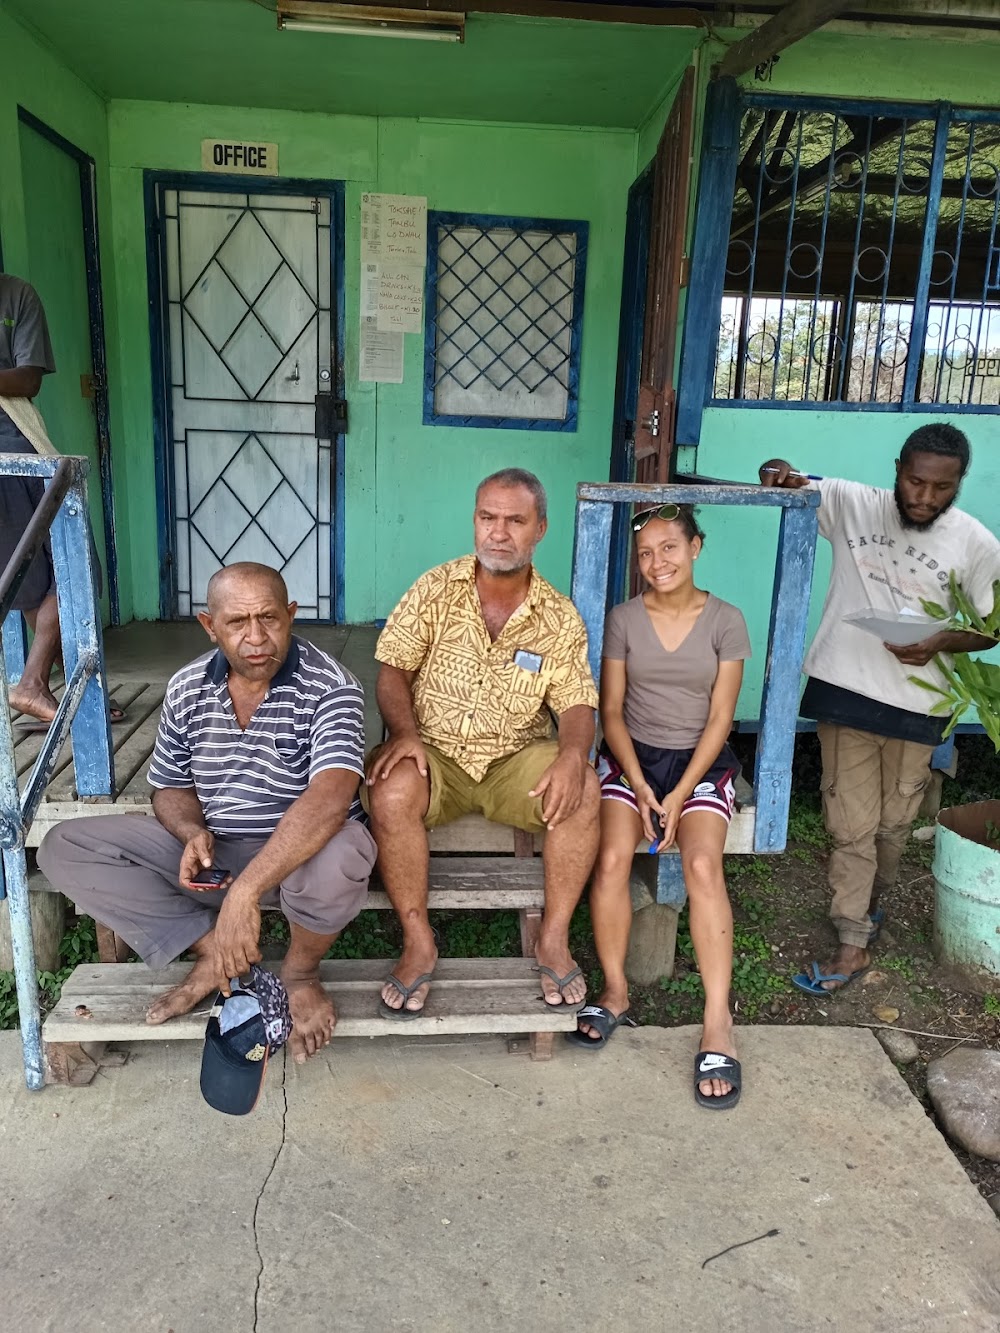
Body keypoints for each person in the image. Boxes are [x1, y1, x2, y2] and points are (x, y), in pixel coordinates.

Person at [38, 562, 376, 1063]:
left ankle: (300, 973)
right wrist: (191, 830)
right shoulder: (186, 686)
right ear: (209, 625)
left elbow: (329, 800)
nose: (257, 636)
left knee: (346, 850)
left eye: (269, 618)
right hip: (220, 848)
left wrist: (246, 890)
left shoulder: (331, 686)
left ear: (291, 616)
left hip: (306, 852)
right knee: (64, 846)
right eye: (238, 623)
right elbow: (170, 785)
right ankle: (214, 950)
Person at [760, 425, 1000, 996]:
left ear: (958, 484)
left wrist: (939, 641)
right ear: (898, 468)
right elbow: (790, 476)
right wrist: (776, 466)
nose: (923, 497)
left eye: (941, 487)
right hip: (846, 688)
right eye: (915, 481)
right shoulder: (853, 503)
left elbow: (990, 630)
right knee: (851, 825)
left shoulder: (976, 544)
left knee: (894, 824)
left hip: (922, 705)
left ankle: (869, 906)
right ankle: (852, 941)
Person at [366, 468, 600, 1017]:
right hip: (435, 755)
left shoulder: (559, 617)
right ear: (474, 520)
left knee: (584, 790)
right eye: (487, 517)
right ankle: (418, 940)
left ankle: (554, 938)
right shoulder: (435, 588)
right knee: (391, 790)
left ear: (540, 528)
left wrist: (572, 754)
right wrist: (404, 733)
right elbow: (392, 669)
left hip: (515, 760)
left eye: (514, 521)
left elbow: (576, 703)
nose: (498, 532)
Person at [573, 503, 751, 1110]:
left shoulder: (726, 620)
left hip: (700, 764)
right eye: (645, 553)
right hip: (632, 759)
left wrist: (678, 794)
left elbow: (722, 717)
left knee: (702, 866)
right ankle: (617, 991)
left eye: (669, 547)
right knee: (612, 857)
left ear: (695, 547)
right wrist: (645, 788)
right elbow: (613, 711)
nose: (657, 563)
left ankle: (717, 1022)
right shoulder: (624, 619)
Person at [0, 270, 122, 728]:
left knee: (72, 566)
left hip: (19, 444)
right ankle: (39, 683)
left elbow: (28, 379)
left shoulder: (16, 295)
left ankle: (58, 681)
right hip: (8, 461)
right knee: (32, 576)